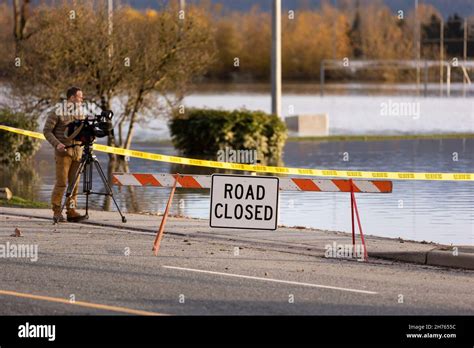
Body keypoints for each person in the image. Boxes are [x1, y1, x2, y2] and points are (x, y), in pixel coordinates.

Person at [43, 86, 86, 223]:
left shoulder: (81, 112)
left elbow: (83, 130)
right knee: (61, 183)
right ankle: (57, 212)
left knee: (74, 184)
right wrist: (57, 144)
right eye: (80, 97)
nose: (82, 99)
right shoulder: (57, 112)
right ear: (72, 97)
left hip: (78, 153)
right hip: (63, 153)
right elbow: (47, 131)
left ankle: (71, 211)